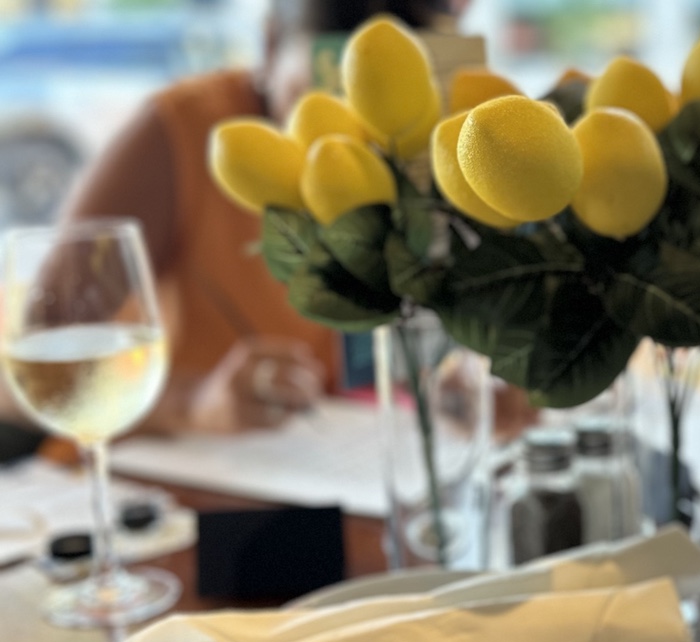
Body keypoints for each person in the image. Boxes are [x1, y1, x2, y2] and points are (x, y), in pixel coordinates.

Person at [0, 0, 459, 437]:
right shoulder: (184, 133)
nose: (359, 139)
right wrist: (195, 403)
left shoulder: (434, 154)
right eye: (323, 96)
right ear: (269, 46)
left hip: (333, 461)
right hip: (166, 473)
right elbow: (19, 379)